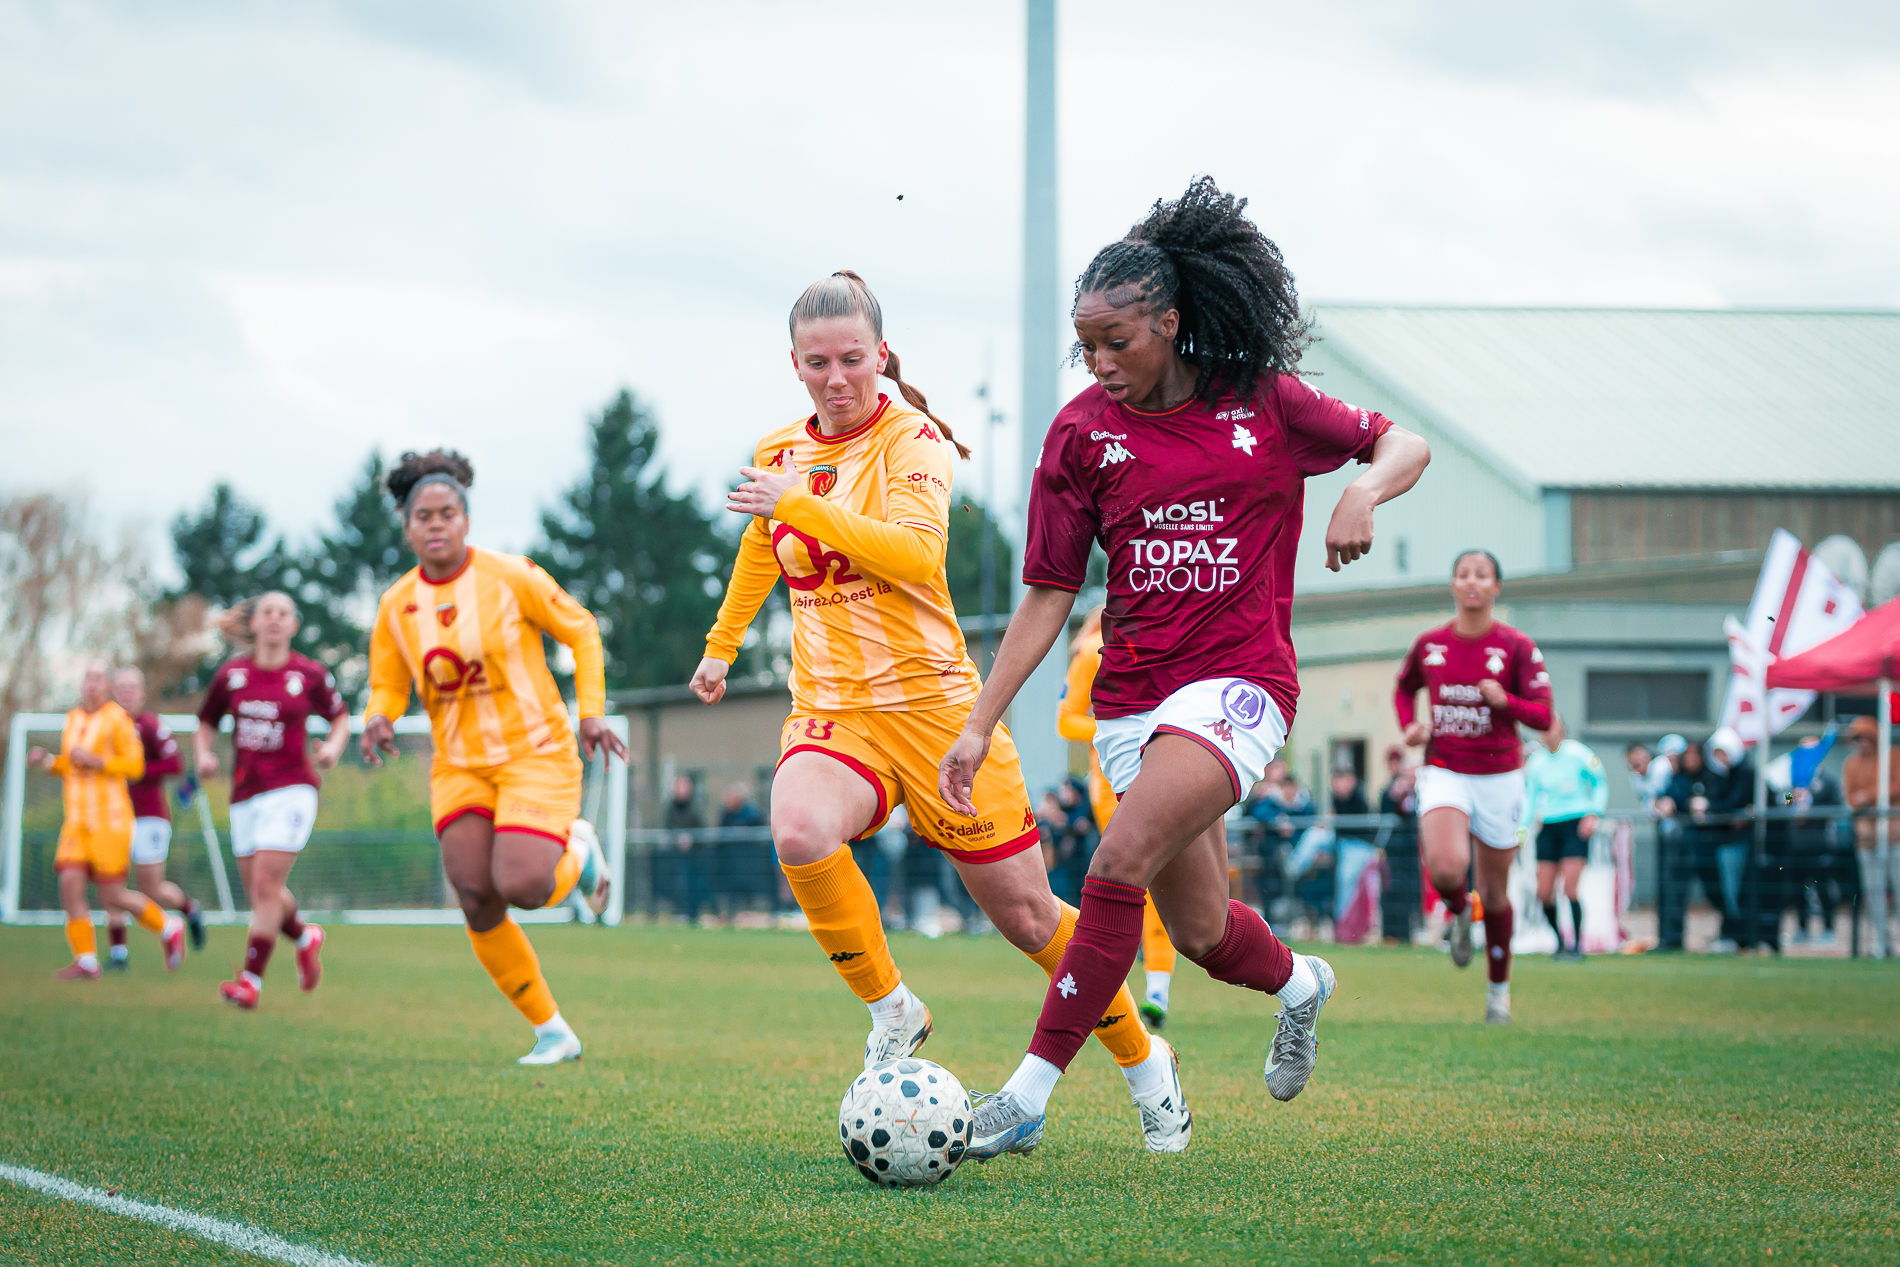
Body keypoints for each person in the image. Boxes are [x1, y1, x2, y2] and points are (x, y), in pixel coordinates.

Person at [937, 178, 1430, 1156]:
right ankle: (1301, 983)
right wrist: (980, 718)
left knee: (1114, 862)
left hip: (1241, 686)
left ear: (1171, 322)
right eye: (1085, 344)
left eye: (1117, 341)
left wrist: (1363, 491)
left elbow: (1400, 441)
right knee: (1203, 933)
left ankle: (1028, 1094)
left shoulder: (1263, 402)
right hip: (1130, 704)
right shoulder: (1080, 435)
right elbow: (1046, 592)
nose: (1098, 362)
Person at [690, 270, 1184, 1153]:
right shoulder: (780, 451)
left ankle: (1149, 1066)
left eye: (852, 359)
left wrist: (801, 502)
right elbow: (763, 551)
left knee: (1032, 919)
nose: (837, 377)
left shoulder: (915, 440)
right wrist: (722, 646)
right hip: (834, 709)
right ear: (794, 365)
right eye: (818, 363)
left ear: (881, 354)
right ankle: (893, 1008)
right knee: (798, 828)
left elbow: (915, 556)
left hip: (939, 715)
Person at [360, 450, 624, 1064]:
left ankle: (578, 852)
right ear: (408, 526)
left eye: (447, 513)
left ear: (466, 520)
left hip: (535, 752)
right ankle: (553, 1030)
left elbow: (582, 629)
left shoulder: (511, 576)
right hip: (458, 765)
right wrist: (379, 715)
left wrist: (591, 711)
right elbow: (389, 681)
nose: (435, 524)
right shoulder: (396, 605)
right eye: (423, 516)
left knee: (525, 884)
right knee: (477, 895)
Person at [1395, 549, 1553, 1023]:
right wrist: (1410, 725)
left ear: (1496, 587)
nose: (1472, 582)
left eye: (1482, 575)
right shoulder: (1430, 644)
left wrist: (1505, 701)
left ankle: (1498, 993)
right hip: (1445, 768)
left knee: (1496, 889)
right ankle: (1461, 913)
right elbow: (1405, 688)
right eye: (1463, 574)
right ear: (1452, 584)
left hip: (1501, 775)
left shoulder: (1517, 646)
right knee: (1446, 869)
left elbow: (1544, 716)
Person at [196, 594, 350, 1008]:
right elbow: (205, 723)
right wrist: (204, 755)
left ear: (294, 625)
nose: (275, 620)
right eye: (268, 613)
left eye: (283, 614)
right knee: (262, 892)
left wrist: (332, 749)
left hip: (293, 789)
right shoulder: (232, 675)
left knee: (265, 886)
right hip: (245, 793)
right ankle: (305, 935)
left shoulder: (309, 673)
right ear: (255, 623)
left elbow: (340, 717)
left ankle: (250, 982)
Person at [1059, 605, 1180, 1029]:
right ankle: (1117, 990)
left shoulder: (1171, 642)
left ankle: (1156, 993)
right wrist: (1117, 728)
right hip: (1111, 783)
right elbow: (1067, 720)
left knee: (1155, 882)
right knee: (1129, 884)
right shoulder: (1093, 651)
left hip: (1163, 774)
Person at [29, 660, 187, 980]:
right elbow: (73, 766)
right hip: (77, 821)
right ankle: (86, 960)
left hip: (110, 819)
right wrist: (48, 762)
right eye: (87, 677)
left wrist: (98, 760)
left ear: (108, 686)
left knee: (112, 895)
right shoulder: (72, 719)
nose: (91, 684)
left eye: (99, 678)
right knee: (69, 885)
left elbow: (135, 767)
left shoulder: (118, 720)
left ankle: (168, 926)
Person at [99, 667, 205, 969]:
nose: (126, 693)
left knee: (151, 888)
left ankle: (189, 910)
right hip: (111, 817)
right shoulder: (104, 727)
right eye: (120, 687)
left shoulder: (149, 725)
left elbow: (174, 764)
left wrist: (136, 769)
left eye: (132, 687)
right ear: (112, 691)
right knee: (110, 885)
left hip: (149, 816)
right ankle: (119, 954)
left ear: (142, 692)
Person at [1522, 714, 1606, 961]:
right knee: (1544, 892)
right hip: (1548, 825)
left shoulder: (1580, 754)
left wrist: (1593, 812)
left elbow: (1599, 783)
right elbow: (1530, 798)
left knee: (1570, 888)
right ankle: (1559, 942)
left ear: (1562, 728)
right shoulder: (1536, 762)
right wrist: (1521, 830)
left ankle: (1577, 946)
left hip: (1574, 825)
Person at [1842, 715, 1900, 958]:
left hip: (1895, 833)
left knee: (1898, 887)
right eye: (1859, 739)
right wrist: (1863, 799)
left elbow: (1895, 787)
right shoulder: (1851, 764)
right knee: (1873, 890)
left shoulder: (1893, 757)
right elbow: (1850, 797)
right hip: (1866, 836)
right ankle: (1882, 942)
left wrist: (1870, 795)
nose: (1863, 743)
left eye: (1867, 738)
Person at [1378, 746, 1420, 944]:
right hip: (1394, 849)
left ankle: (1406, 933)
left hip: (1410, 848)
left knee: (1410, 891)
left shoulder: (1414, 790)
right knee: (1391, 888)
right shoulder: (1390, 789)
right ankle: (1391, 932)